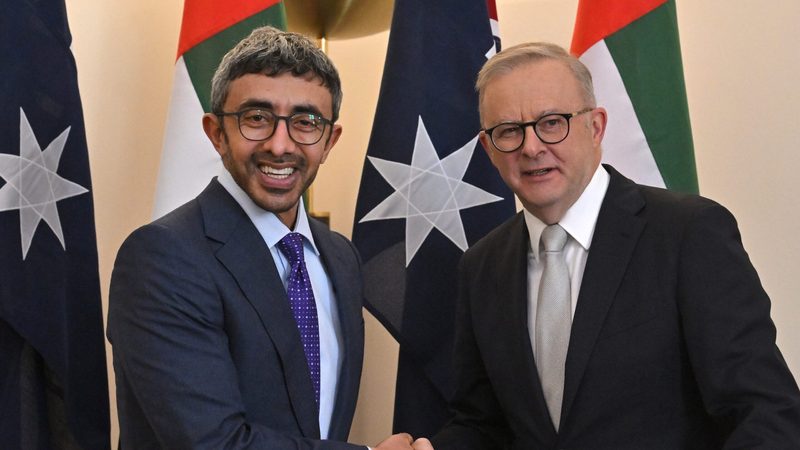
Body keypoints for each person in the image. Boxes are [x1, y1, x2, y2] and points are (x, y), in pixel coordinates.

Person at [430, 42, 800, 449]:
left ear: (596, 127)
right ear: (489, 148)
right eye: (509, 131)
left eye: (552, 122)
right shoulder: (481, 265)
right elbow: (483, 424)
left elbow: (765, 414)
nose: (531, 147)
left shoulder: (688, 233)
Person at [107, 26, 431, 450]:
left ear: (330, 140)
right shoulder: (161, 257)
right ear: (216, 133)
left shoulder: (340, 257)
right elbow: (211, 443)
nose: (281, 145)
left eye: (305, 122)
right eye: (256, 118)